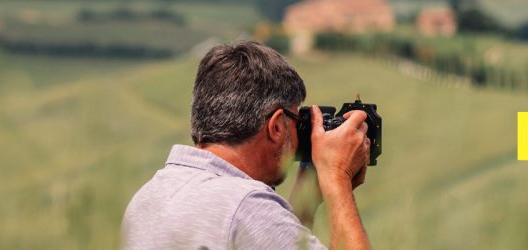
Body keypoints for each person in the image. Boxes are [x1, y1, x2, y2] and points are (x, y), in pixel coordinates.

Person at [122, 41, 371, 250]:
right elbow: (252, 222)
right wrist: (336, 177)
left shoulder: (148, 197)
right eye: (296, 121)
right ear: (276, 126)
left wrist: (309, 192)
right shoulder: (246, 208)